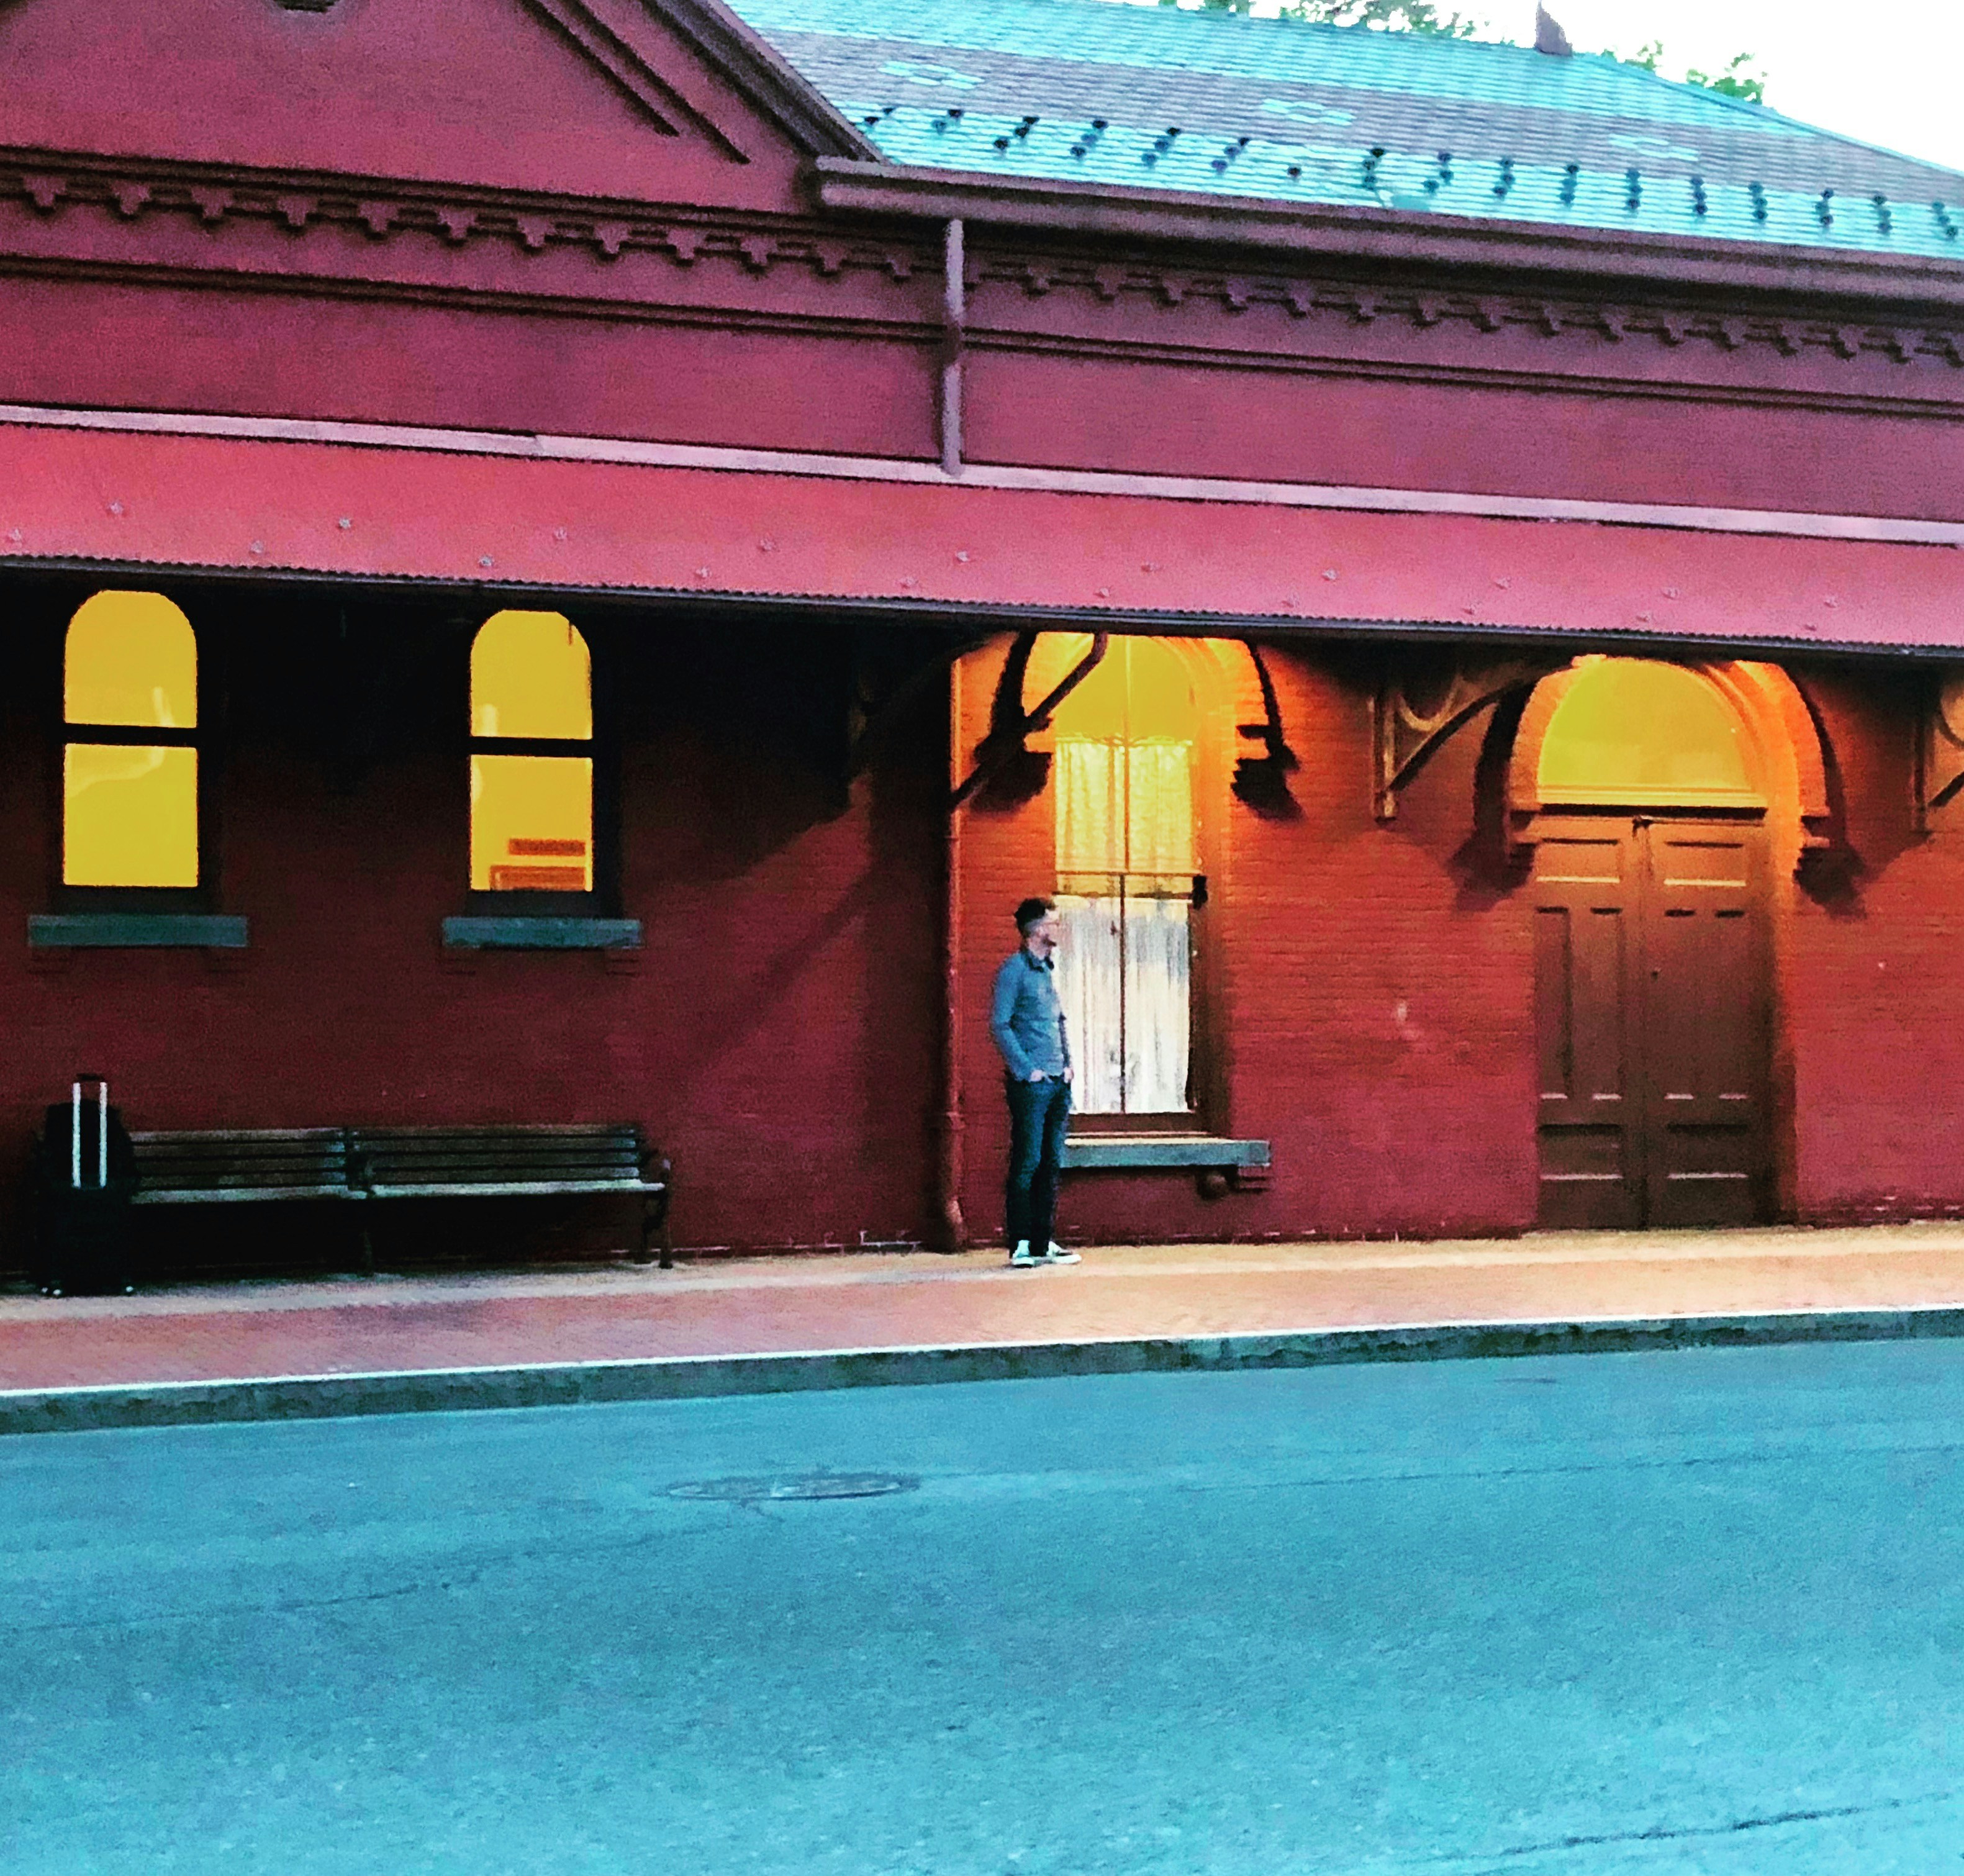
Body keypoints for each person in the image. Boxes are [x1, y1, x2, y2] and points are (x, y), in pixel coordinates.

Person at [990, 897, 1082, 1269]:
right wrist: (1026, 1070)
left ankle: (1043, 1243)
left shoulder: (1046, 971)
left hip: (1058, 1082)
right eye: (1054, 923)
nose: (1059, 929)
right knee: (1027, 1161)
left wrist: (1069, 1064)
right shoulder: (1014, 971)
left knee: (1050, 1163)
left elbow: (1059, 1022)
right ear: (1037, 929)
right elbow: (1000, 1024)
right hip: (1032, 1086)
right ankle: (1021, 1245)